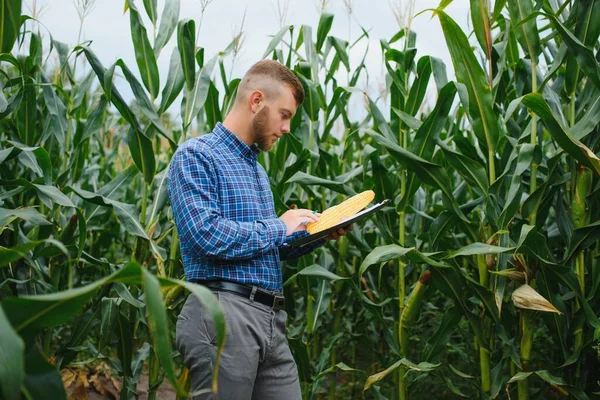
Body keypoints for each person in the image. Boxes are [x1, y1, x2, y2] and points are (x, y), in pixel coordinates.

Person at [167, 59, 352, 400]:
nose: (286, 128)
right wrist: (279, 225)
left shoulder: (257, 172)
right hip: (223, 314)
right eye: (284, 115)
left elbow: (267, 248)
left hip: (270, 321)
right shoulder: (196, 156)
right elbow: (204, 235)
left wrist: (318, 233)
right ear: (256, 101)